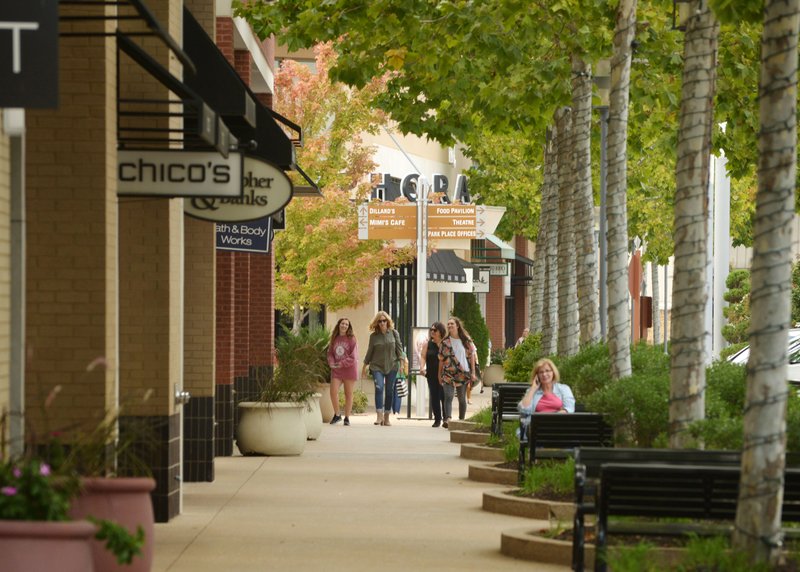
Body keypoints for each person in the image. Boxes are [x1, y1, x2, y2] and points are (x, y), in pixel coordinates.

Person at [361, 311, 405, 427]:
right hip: (377, 366)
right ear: (377, 323)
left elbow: (399, 351)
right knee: (379, 388)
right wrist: (364, 367)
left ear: (388, 321)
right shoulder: (373, 337)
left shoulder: (394, 333)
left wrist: (402, 366)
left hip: (392, 366)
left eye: (384, 320)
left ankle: (386, 417)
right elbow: (369, 352)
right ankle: (379, 416)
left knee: (389, 391)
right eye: (379, 321)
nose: (382, 323)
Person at [517, 358, 575, 436]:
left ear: (553, 372)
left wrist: (549, 419)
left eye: (547, 371)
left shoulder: (564, 389)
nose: (544, 374)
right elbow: (523, 409)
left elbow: (569, 409)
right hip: (538, 429)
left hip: (559, 427)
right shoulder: (532, 391)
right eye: (541, 372)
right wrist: (533, 388)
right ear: (536, 375)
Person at [438, 316, 477, 428]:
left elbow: (472, 356)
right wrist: (439, 375)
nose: (449, 326)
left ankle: (461, 420)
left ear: (457, 326)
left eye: (452, 324)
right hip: (448, 373)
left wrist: (473, 372)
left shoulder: (466, 340)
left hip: (463, 373)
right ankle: (448, 419)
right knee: (448, 396)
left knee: (461, 398)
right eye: (448, 324)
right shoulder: (444, 342)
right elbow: (441, 359)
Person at [327, 317, 358, 426]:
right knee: (333, 391)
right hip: (337, 370)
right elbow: (330, 353)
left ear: (348, 327)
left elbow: (353, 357)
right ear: (339, 325)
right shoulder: (334, 338)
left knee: (348, 394)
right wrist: (331, 362)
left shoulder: (351, 338)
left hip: (349, 369)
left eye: (346, 324)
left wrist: (341, 363)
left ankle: (347, 418)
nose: (344, 325)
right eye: (342, 323)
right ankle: (337, 414)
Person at [421, 322, 446, 427]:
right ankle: (437, 419)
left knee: (444, 396)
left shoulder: (445, 344)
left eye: (434, 330)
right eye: (431, 330)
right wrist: (422, 367)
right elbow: (423, 356)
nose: (432, 332)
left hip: (444, 375)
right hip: (431, 374)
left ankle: (446, 418)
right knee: (434, 396)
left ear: (440, 332)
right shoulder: (427, 344)